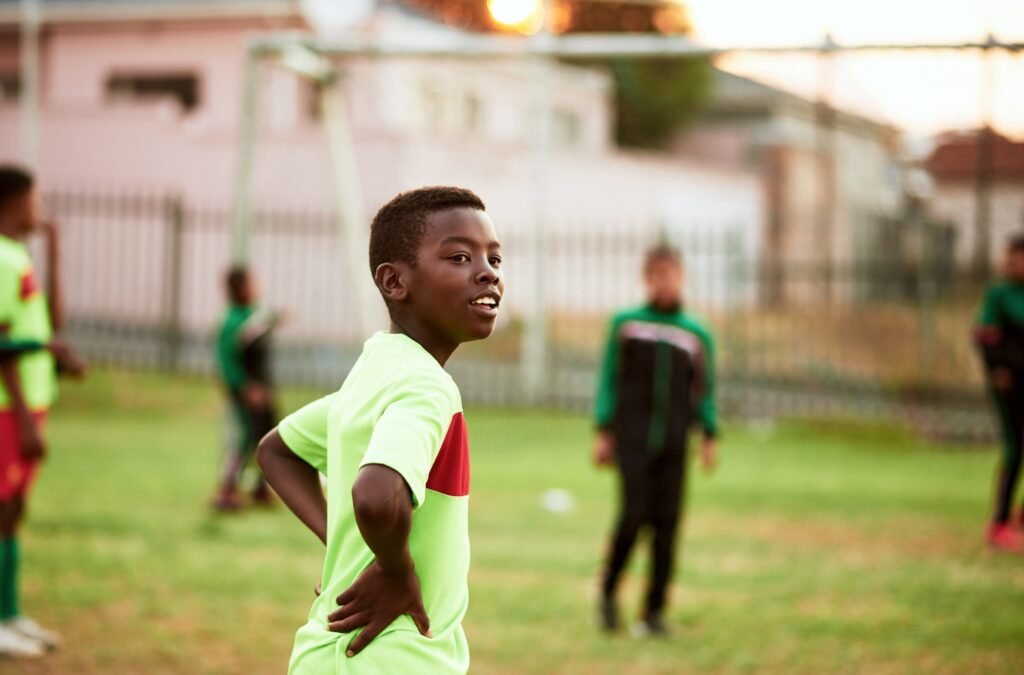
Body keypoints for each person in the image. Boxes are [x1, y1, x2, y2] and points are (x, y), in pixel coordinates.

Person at [257, 186, 502, 673]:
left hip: (328, 655)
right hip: (393, 657)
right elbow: (375, 495)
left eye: (493, 258)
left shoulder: (376, 371)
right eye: (459, 257)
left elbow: (277, 451)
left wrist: (343, 552)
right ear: (394, 282)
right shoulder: (425, 385)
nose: (487, 272)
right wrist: (395, 569)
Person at [592, 243, 718, 637]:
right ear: (646, 279)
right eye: (656, 275)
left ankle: (654, 612)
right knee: (633, 516)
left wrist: (710, 434)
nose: (664, 283)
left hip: (675, 444)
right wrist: (603, 430)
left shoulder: (695, 333)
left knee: (667, 526)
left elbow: (704, 390)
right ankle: (608, 592)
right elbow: (609, 379)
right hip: (633, 441)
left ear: (682, 278)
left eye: (671, 275)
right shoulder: (627, 324)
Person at [0, 166, 86, 658]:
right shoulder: (2, 258)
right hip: (9, 409)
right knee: (3, 510)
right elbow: (2, 343)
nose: (41, 209)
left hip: (29, 404)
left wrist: (53, 252)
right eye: (36, 200)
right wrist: (24, 420)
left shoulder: (19, 256)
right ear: (14, 202)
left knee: (14, 511)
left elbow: (52, 322)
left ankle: (9, 613)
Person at [212, 265, 278, 511]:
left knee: (267, 435)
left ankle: (261, 488)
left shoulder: (254, 315)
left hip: (262, 386)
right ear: (240, 288)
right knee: (246, 437)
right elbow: (227, 362)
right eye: (252, 283)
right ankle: (226, 490)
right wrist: (246, 388)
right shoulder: (231, 322)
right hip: (246, 391)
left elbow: (263, 324)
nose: (257, 287)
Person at [974, 234, 1024, 553]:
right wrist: (997, 369)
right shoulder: (1000, 294)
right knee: (1015, 448)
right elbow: (984, 335)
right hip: (1011, 385)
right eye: (1009, 258)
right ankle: (999, 523)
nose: (1009, 264)